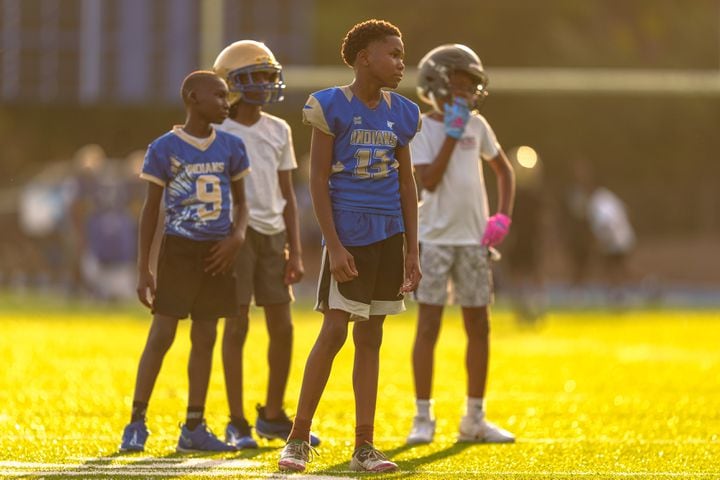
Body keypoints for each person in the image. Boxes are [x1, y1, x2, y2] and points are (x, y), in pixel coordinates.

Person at [277, 19, 422, 473]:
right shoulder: (331, 105)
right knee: (335, 331)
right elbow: (318, 180)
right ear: (364, 57)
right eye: (392, 54)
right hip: (349, 236)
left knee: (372, 335)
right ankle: (297, 438)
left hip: (389, 234)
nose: (401, 63)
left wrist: (413, 251)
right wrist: (334, 245)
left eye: (402, 55)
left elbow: (407, 184)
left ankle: (364, 445)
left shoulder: (402, 111)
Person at [119, 71, 250, 453]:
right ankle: (136, 421)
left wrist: (237, 236)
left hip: (218, 250)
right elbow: (150, 209)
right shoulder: (163, 147)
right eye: (220, 96)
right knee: (162, 334)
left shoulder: (231, 146)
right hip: (179, 249)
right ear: (193, 98)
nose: (227, 103)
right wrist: (145, 266)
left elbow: (242, 203)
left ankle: (194, 425)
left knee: (205, 336)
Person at [406, 44, 516, 445]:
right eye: (460, 84)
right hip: (434, 239)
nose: (467, 93)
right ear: (437, 84)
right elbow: (429, 180)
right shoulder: (422, 126)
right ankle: (422, 415)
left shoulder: (479, 126)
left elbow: (504, 171)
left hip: (473, 241)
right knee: (429, 326)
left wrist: (501, 216)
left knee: (479, 327)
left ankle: (474, 416)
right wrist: (451, 134)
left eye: (472, 85)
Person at [212, 40, 319, 449]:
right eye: (254, 76)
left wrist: (294, 246)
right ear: (232, 83)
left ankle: (273, 415)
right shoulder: (219, 130)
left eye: (268, 75)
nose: (265, 84)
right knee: (236, 324)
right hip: (234, 235)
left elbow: (287, 195)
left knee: (284, 327)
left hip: (273, 234)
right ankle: (236, 421)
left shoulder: (279, 129)